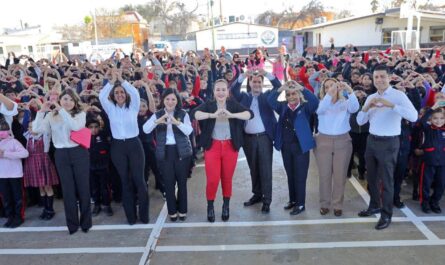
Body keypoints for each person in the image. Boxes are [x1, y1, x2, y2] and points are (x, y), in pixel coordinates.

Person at [356, 64, 418, 230]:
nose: (379, 80)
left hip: (389, 142)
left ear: (390, 77)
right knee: (372, 177)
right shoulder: (371, 97)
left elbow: (414, 116)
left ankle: (386, 214)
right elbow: (360, 121)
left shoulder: (398, 96)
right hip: (372, 140)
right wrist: (367, 107)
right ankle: (374, 205)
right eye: (376, 77)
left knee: (387, 181)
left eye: (382, 76)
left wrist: (391, 105)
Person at [33, 88, 92, 234]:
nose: (68, 102)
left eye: (71, 99)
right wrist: (41, 111)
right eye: (65, 99)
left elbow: (75, 126)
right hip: (60, 153)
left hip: (79, 152)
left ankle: (86, 223)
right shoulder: (51, 116)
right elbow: (37, 129)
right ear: (60, 99)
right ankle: (72, 225)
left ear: (75, 102)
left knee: (83, 188)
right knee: (68, 190)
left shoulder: (80, 114)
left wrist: (61, 110)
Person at [194, 79, 253, 222]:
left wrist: (232, 115)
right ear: (213, 92)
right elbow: (195, 114)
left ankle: (226, 206)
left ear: (228, 92)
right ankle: (210, 206)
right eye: (218, 89)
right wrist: (212, 115)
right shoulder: (209, 105)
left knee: (227, 179)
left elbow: (249, 114)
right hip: (212, 147)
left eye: (223, 89)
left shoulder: (232, 105)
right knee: (213, 180)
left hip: (230, 147)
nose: (220, 92)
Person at [99, 69, 149, 225]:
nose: (120, 94)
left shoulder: (133, 107)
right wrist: (112, 83)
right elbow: (101, 96)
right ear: (113, 96)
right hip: (118, 147)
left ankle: (144, 215)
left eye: (122, 92)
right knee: (125, 181)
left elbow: (134, 93)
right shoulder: (110, 108)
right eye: (116, 93)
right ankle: (131, 217)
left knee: (139, 180)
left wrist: (122, 80)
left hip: (134, 144)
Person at [231, 69, 280, 213]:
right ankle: (257, 194)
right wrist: (244, 75)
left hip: (264, 138)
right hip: (248, 139)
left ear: (262, 84)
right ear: (250, 83)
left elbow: (277, 86)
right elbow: (233, 89)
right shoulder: (244, 97)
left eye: (259, 82)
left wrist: (265, 74)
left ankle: (267, 200)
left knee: (265, 169)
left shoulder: (267, 96)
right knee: (254, 168)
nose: (257, 84)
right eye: (254, 81)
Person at [267, 80, 319, 216]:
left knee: (300, 176)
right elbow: (270, 100)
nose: (291, 97)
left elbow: (315, 101)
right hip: (286, 146)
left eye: (294, 94)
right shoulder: (283, 106)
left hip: (301, 147)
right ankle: (293, 200)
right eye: (289, 94)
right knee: (290, 174)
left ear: (299, 94)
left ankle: (301, 203)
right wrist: (281, 88)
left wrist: (301, 87)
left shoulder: (306, 107)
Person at [143, 88, 193, 222]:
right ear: (163, 100)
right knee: (169, 184)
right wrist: (158, 121)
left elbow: (189, 131)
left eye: (173, 99)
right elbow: (146, 129)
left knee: (182, 183)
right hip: (164, 153)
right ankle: (172, 211)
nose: (170, 102)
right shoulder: (158, 114)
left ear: (177, 101)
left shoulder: (183, 113)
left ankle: (182, 210)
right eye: (167, 99)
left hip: (181, 152)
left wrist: (177, 123)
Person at [314, 78, 359, 216]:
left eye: (332, 86)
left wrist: (350, 91)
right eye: (326, 87)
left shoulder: (345, 103)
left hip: (342, 141)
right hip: (323, 141)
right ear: (324, 90)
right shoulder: (322, 103)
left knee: (340, 176)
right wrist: (330, 93)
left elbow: (355, 108)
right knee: (324, 175)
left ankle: (338, 204)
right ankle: (324, 204)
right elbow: (320, 111)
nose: (330, 89)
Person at [23, 121, 59, 220]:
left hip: (43, 161)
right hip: (32, 162)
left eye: (32, 127)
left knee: (47, 186)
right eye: (29, 127)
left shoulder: (44, 136)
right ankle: (45, 209)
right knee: (41, 188)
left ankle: (50, 210)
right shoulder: (28, 137)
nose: (30, 129)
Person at [0, 117, 29, 228]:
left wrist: (5, 154)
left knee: (18, 197)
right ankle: (10, 217)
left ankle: (19, 217)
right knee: (6, 198)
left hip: (15, 174)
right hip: (2, 175)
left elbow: (25, 153)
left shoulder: (14, 141)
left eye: (3, 129)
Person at [418, 104, 445, 214]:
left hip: (443, 162)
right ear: (430, 119)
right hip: (429, 161)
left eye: (442, 118)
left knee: (441, 184)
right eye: (435, 118)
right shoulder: (427, 128)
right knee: (426, 183)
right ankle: (425, 202)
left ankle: (435, 202)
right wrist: (432, 109)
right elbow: (422, 121)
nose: (439, 121)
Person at [87, 118, 113, 217]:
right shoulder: (85, 136)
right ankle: (97, 205)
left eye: (96, 127)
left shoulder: (103, 134)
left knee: (105, 187)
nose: (93, 129)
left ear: (100, 127)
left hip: (103, 166)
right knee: (94, 188)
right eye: (91, 127)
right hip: (91, 166)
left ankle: (107, 205)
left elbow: (107, 124)